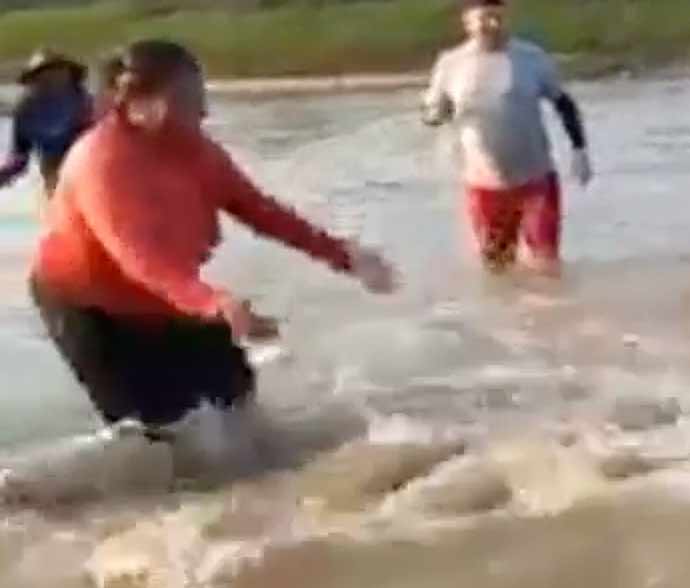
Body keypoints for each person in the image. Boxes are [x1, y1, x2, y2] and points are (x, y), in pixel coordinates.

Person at [29, 40, 396, 440]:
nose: (203, 111)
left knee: (236, 400)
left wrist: (343, 254)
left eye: (201, 96)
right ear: (137, 102)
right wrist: (215, 302)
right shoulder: (102, 164)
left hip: (171, 296)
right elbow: (141, 261)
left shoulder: (196, 151)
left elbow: (262, 211)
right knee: (159, 436)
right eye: (187, 99)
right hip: (92, 308)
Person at [422, 0, 593, 275]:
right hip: (484, 185)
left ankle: (549, 316)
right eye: (485, 18)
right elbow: (434, 116)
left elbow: (564, 104)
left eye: (498, 18)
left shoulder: (531, 58)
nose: (492, 25)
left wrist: (579, 150)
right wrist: (433, 113)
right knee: (497, 269)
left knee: (546, 265)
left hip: (535, 180)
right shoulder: (450, 64)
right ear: (467, 22)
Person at [0, 49, 94, 195]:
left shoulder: (84, 102)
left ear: (69, 75)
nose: (52, 78)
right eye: (44, 74)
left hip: (86, 168)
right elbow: (19, 159)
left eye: (57, 71)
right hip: (52, 173)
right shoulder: (25, 111)